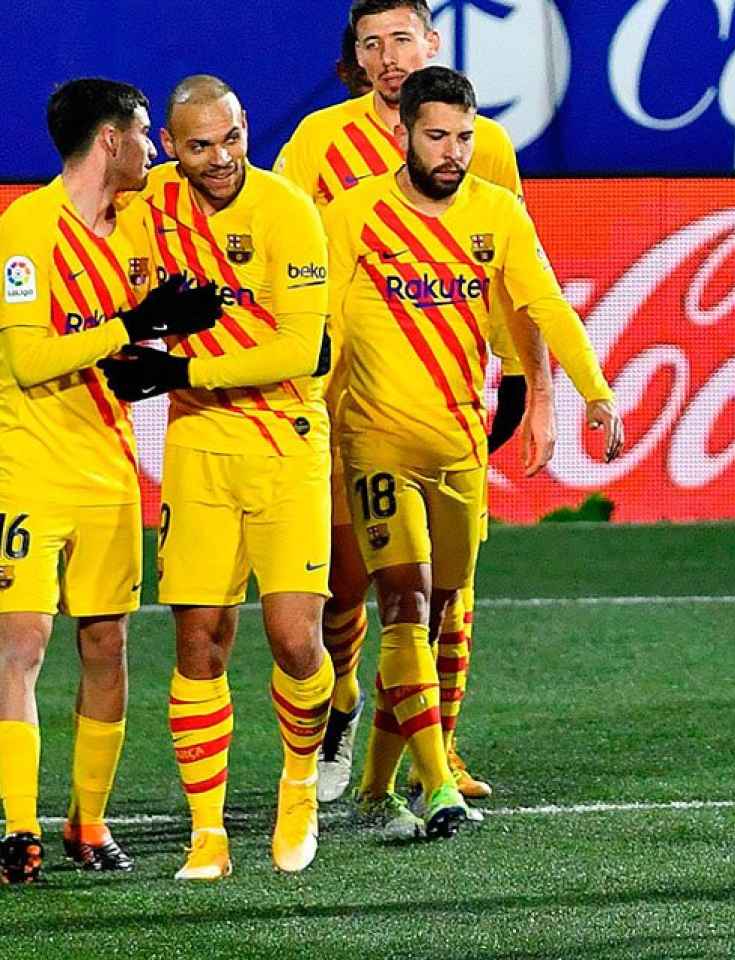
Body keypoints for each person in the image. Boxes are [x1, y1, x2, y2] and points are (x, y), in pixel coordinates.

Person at [322, 65, 620, 840]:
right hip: (375, 441)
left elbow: (544, 303)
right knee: (406, 602)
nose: (452, 152)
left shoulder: (499, 214)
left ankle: (375, 789)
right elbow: (320, 332)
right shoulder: (353, 215)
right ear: (404, 134)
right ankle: (437, 785)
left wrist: (593, 390)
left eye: (463, 137)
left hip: (459, 446)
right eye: (437, 136)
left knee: (443, 607)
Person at [274, 0, 550, 808]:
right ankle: (344, 702)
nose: (389, 55)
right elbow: (290, 252)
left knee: (443, 590)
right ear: (354, 59)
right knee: (345, 585)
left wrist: (534, 394)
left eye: (403, 38)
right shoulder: (318, 143)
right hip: (343, 402)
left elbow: (519, 278)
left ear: (432, 42)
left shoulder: (485, 144)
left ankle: (442, 749)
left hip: (452, 398)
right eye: (372, 43)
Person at [100, 75, 334, 880]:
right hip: (198, 445)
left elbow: (299, 349)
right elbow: (94, 241)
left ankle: (299, 783)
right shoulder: (150, 204)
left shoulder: (287, 211)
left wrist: (178, 366)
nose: (223, 157)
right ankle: (209, 834)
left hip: (289, 444)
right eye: (201, 145)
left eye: (232, 137)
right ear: (171, 146)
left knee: (294, 638)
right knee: (199, 640)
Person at [0, 78, 219, 883]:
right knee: (20, 642)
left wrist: (163, 337)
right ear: (109, 141)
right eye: (142, 135)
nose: (155, 151)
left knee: (107, 644)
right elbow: (29, 360)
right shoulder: (24, 231)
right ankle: (16, 826)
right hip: (26, 469)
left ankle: (86, 823)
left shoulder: (138, 230)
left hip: (110, 468)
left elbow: (116, 354)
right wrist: (135, 323)